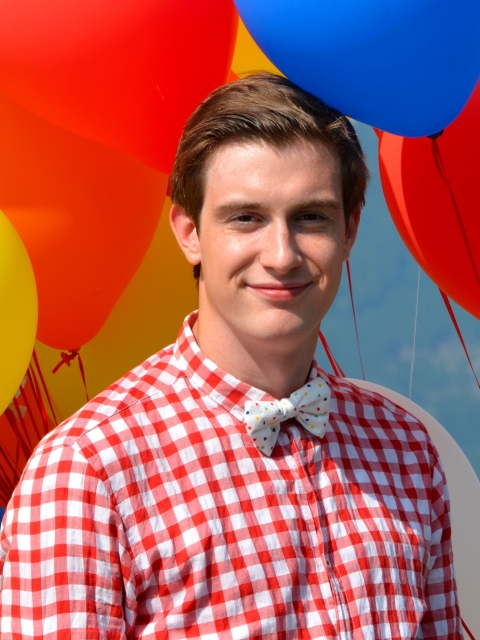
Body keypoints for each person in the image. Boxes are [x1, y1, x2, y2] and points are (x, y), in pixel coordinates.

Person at [0, 73, 461, 639]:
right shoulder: (90, 472)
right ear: (189, 232)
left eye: (311, 217)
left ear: (350, 230)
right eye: (246, 218)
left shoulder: (405, 448)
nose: (281, 255)